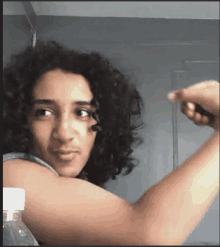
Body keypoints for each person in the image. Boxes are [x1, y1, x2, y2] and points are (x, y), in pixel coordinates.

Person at [3, 40, 219, 246]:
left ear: (105, 122)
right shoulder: (10, 176)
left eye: (82, 112)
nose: (64, 133)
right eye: (44, 112)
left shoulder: (64, 184)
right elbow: (149, 232)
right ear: (20, 119)